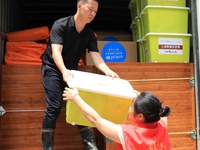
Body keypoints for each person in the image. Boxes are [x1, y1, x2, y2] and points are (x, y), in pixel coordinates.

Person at [40, 0, 119, 149]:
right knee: (54, 107)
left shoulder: (89, 34)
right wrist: (63, 71)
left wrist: (108, 71)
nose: (92, 14)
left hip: (72, 72)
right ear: (79, 6)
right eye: (90, 9)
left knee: (80, 104)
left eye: (95, 12)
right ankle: (47, 147)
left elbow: (96, 56)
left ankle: (90, 145)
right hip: (52, 69)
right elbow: (56, 53)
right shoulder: (60, 25)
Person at [63, 88, 171, 150]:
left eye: (131, 106)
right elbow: (158, 109)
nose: (128, 108)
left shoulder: (129, 135)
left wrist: (75, 98)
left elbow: (96, 120)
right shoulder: (162, 125)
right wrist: (140, 98)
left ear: (140, 116)